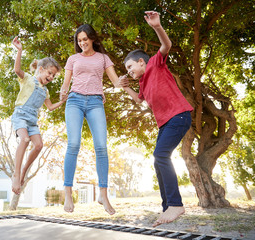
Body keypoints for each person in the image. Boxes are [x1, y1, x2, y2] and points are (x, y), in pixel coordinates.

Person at [119, 11, 193, 226]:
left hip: (178, 116)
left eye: (130, 67)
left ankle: (176, 204)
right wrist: (126, 88)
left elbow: (166, 46)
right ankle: (167, 207)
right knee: (157, 161)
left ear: (141, 62)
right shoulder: (142, 82)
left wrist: (157, 27)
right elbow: (139, 100)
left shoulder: (154, 64)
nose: (130, 71)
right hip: (167, 123)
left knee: (160, 155)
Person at [60, 24, 120, 215]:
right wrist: (62, 91)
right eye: (79, 40)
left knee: (101, 146)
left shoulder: (103, 58)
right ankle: (68, 193)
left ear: (92, 39)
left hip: (95, 101)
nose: (82, 42)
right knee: (73, 144)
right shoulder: (73, 59)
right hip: (74, 101)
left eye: (85, 39)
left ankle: (103, 194)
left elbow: (115, 81)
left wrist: (127, 80)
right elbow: (65, 83)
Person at [11, 36, 67, 195]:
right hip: (21, 115)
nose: (51, 77)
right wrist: (19, 51)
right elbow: (17, 70)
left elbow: (49, 107)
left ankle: (23, 172)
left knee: (38, 145)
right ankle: (16, 174)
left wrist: (63, 101)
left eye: (53, 76)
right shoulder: (27, 79)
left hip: (32, 121)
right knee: (25, 139)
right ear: (40, 69)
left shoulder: (45, 91)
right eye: (50, 73)